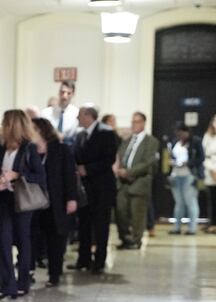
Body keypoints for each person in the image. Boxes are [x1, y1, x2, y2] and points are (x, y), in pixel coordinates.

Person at [0, 110, 46, 299]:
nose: (2, 126)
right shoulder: (2, 147)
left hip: (23, 200)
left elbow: (40, 176)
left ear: (12, 125)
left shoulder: (28, 148)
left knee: (24, 241)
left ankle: (23, 282)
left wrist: (17, 175)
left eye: (5, 122)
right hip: (4, 199)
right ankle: (7, 285)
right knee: (3, 241)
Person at [70, 105, 118, 273]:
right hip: (84, 188)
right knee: (84, 224)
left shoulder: (106, 133)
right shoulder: (80, 135)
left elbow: (109, 159)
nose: (77, 118)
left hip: (102, 187)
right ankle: (83, 259)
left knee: (100, 226)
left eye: (80, 115)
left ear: (89, 116)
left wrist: (88, 169)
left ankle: (99, 261)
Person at [31, 118, 78, 287]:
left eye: (33, 129)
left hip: (56, 201)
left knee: (56, 239)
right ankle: (30, 272)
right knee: (34, 237)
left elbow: (69, 175)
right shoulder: (29, 149)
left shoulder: (60, 149)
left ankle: (54, 274)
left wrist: (71, 198)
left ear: (42, 131)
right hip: (34, 202)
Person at [115, 112, 160, 249]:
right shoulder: (127, 141)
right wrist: (119, 169)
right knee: (120, 212)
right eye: (132, 122)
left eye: (137, 122)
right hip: (122, 184)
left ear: (143, 123)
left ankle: (136, 240)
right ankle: (125, 238)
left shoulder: (151, 141)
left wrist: (128, 172)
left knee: (137, 215)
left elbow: (148, 163)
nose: (134, 125)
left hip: (139, 182)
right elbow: (120, 157)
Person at [168, 124, 204, 235]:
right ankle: (177, 227)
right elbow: (171, 155)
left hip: (190, 174)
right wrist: (172, 162)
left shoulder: (195, 141)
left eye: (182, 133)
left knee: (191, 201)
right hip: (176, 174)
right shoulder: (175, 142)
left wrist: (188, 163)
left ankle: (192, 228)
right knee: (179, 202)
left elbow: (201, 157)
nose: (180, 136)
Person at [204, 114, 216, 233]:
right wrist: (212, 170)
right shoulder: (208, 136)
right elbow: (205, 155)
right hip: (210, 170)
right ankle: (212, 223)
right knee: (211, 199)